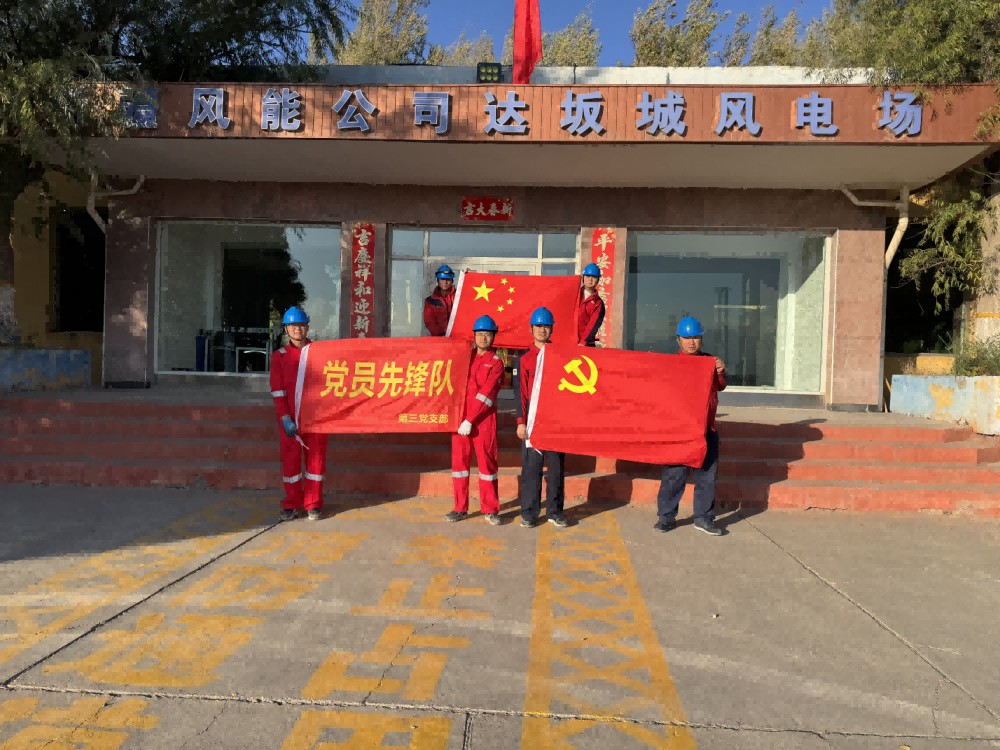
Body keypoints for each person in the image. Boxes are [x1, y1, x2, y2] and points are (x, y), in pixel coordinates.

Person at [655, 316, 726, 536]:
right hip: (680, 430)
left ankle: (703, 518)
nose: (691, 342)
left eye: (695, 337)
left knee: (706, 477)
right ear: (678, 339)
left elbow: (720, 386)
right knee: (674, 475)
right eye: (687, 338)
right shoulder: (671, 364)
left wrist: (720, 371)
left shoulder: (710, 362)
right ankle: (666, 517)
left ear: (701, 339)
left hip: (706, 429)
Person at [269, 306, 328, 522]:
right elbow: (278, 391)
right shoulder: (279, 357)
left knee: (316, 462)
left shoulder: (319, 353)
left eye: (301, 325)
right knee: (291, 462)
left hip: (316, 417)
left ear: (307, 327)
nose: (298, 330)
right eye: (293, 326)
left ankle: (313, 503)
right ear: (286, 329)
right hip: (290, 418)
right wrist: (284, 417)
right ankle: (292, 503)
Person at [445, 315, 505, 525]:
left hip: (483, 421)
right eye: (479, 334)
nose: (483, 338)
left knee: (487, 466)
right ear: (474, 336)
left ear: (493, 336)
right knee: (459, 465)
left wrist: (470, 420)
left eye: (487, 334)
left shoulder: (496, 363)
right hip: (459, 420)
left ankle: (490, 509)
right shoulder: (465, 357)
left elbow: (487, 395)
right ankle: (459, 508)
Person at [515, 307, 568, 529]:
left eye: (546, 326)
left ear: (551, 329)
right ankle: (529, 513)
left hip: (555, 422)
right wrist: (521, 422)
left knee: (556, 469)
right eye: (538, 326)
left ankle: (555, 511)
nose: (542, 330)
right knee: (531, 469)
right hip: (533, 422)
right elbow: (521, 393)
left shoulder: (561, 357)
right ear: (531, 329)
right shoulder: (525, 359)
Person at [577, 262, 606, 347]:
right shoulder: (575, 295)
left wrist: (583, 342)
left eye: (594, 277)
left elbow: (593, 325)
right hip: (570, 341)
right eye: (588, 276)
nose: (590, 279)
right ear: (583, 277)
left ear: (598, 279)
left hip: (585, 344)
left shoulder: (598, 303)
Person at [423, 264, 456, 336]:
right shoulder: (430, 301)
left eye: (448, 279)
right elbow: (430, 322)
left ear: (452, 281)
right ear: (438, 280)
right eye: (442, 279)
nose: (445, 282)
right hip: (439, 339)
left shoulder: (459, 297)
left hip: (457, 337)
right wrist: (440, 336)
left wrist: (468, 276)